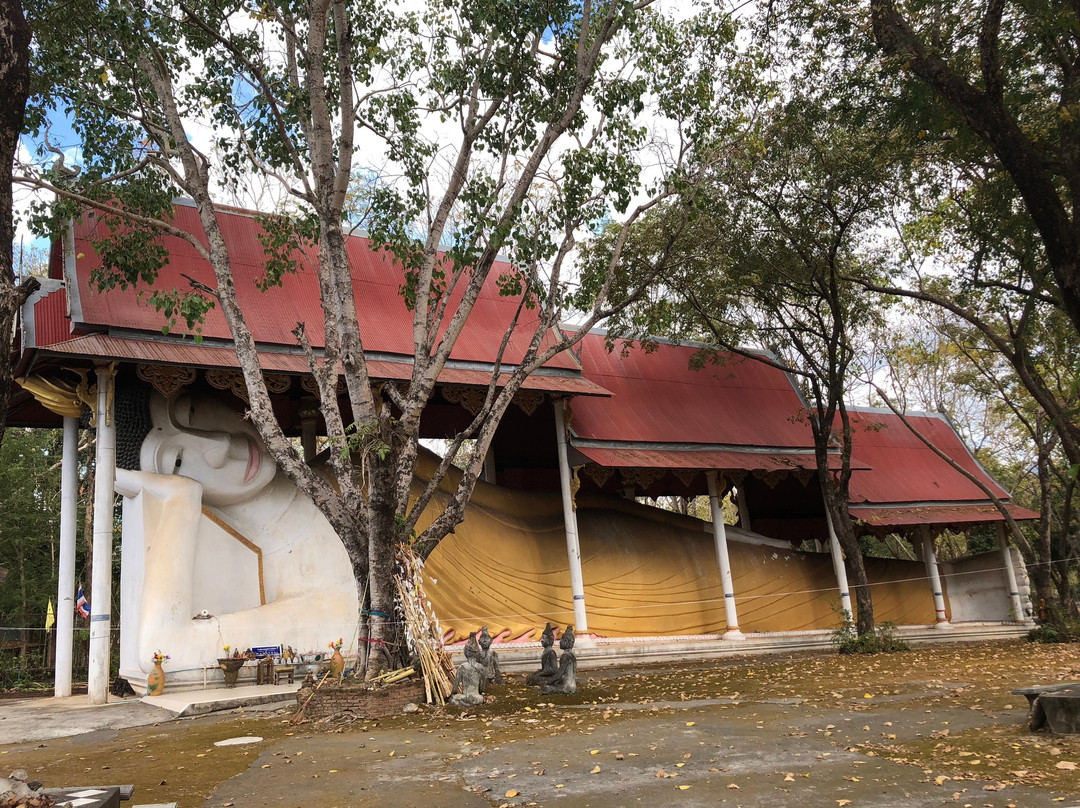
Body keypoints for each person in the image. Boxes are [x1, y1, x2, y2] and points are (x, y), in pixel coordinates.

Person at [116, 390, 357, 692]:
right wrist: (181, 499)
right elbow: (163, 650)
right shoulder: (314, 598)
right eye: (177, 461)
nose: (218, 446)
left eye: (191, 410)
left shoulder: (353, 468)